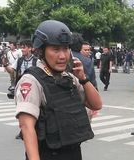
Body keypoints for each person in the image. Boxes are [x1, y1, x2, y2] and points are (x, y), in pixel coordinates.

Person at [15, 20, 102, 160]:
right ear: (41, 51)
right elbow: (26, 126)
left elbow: (96, 105)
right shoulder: (31, 81)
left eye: (65, 48)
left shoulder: (69, 78)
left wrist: (83, 78)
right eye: (55, 49)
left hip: (72, 153)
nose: (62, 56)